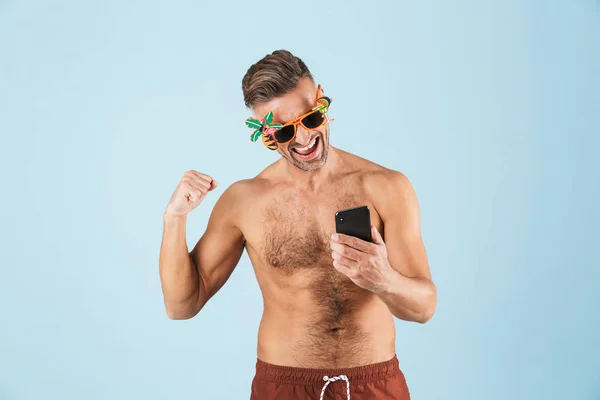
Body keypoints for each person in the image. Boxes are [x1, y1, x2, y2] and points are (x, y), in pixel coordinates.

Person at [159, 50, 437, 400]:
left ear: (321, 101)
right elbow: (182, 305)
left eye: (309, 119)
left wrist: (385, 280)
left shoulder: (386, 187)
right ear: (265, 133)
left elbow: (424, 307)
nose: (303, 139)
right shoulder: (245, 201)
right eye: (285, 131)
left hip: (374, 384)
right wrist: (175, 218)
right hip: (283, 387)